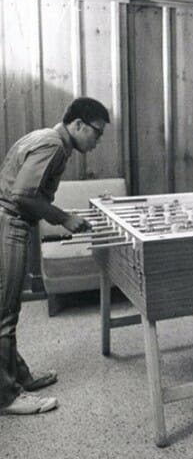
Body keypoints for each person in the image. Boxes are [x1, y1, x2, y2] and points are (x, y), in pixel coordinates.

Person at [1, 97, 109, 415]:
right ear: (77, 125)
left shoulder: (44, 137)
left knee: (8, 309)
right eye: (96, 132)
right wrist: (63, 218)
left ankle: (19, 377)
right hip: (10, 222)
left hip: (11, 220)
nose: (98, 140)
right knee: (5, 313)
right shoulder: (55, 146)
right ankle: (6, 397)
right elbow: (22, 195)